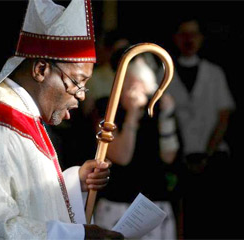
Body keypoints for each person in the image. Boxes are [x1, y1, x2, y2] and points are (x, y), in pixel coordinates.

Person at [0, 0, 124, 239]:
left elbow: (27, 199)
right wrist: (79, 235)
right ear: (40, 69)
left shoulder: (22, 116)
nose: (81, 95)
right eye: (77, 82)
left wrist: (73, 182)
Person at [93, 46, 181, 239]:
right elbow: (121, 157)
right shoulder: (106, 109)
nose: (132, 91)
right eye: (128, 84)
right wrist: (132, 115)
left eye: (138, 85)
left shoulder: (158, 110)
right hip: (116, 203)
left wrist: (166, 116)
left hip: (154, 203)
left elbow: (169, 156)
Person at [166, 17, 236, 238]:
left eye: (194, 34)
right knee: (181, 216)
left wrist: (207, 153)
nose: (189, 40)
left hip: (212, 156)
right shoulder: (165, 73)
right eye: (183, 34)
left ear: (201, 38)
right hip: (178, 159)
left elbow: (223, 116)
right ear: (176, 38)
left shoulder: (214, 73)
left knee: (212, 216)